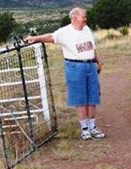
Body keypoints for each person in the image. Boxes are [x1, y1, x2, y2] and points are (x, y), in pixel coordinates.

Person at [25, 7, 106, 140]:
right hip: (75, 67)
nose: (85, 19)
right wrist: (35, 38)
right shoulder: (65, 32)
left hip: (90, 65)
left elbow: (92, 48)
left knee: (92, 97)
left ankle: (92, 127)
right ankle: (84, 129)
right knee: (80, 98)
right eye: (83, 17)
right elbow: (51, 37)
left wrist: (98, 62)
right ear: (74, 18)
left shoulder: (87, 29)